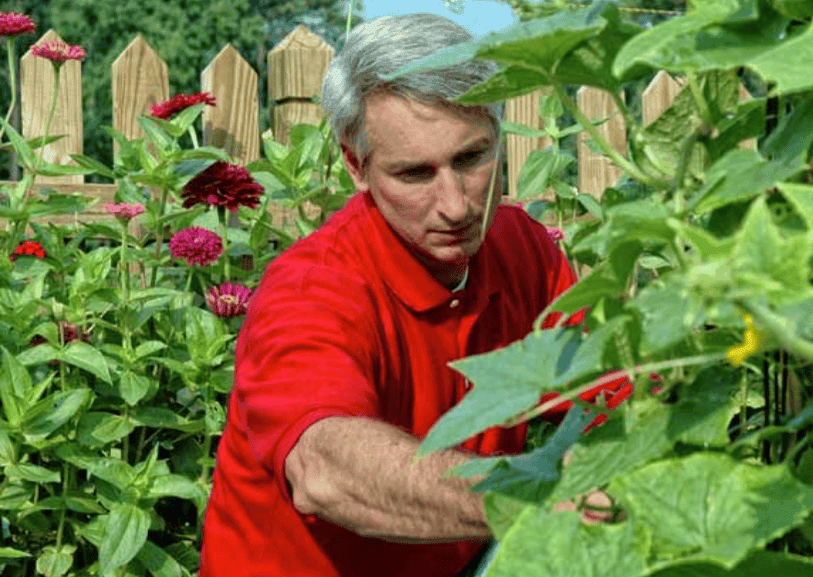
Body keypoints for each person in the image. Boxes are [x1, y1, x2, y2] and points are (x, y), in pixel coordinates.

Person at [198, 13, 623, 577]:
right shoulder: (312, 291)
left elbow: (619, 385)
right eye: (415, 174)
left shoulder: (521, 246)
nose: (457, 205)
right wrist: (529, 491)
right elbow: (326, 470)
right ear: (357, 165)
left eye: (472, 159)